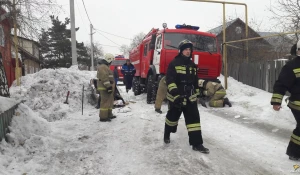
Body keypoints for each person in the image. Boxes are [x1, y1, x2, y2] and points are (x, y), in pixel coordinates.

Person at [164, 39, 209, 154]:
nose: (188, 52)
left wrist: (198, 93)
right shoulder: (174, 63)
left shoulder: (192, 65)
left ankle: (197, 144)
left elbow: (195, 81)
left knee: (194, 121)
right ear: (181, 51)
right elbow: (170, 80)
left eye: (189, 49)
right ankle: (167, 133)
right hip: (177, 98)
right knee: (172, 119)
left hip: (190, 98)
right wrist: (176, 95)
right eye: (186, 50)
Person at [271, 41, 300, 161]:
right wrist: (277, 101)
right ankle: (294, 152)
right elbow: (281, 84)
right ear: (298, 51)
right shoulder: (291, 66)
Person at [97, 53, 116, 122]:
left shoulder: (105, 66)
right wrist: (108, 86)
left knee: (109, 101)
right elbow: (104, 78)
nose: (111, 63)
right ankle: (103, 117)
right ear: (109, 60)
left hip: (107, 87)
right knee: (105, 102)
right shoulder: (103, 67)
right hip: (104, 87)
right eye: (111, 61)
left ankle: (109, 114)